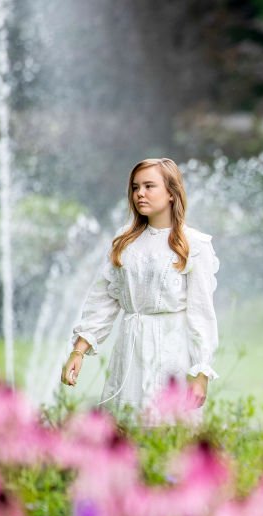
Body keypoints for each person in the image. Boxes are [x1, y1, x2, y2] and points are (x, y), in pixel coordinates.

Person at [62, 158, 219, 413]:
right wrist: (78, 351)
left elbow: (201, 313)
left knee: (167, 430)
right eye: (135, 187)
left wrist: (201, 372)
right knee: (126, 427)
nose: (140, 194)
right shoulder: (124, 242)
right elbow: (103, 299)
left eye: (149, 186)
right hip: (130, 353)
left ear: (171, 193)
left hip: (173, 353)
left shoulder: (193, 244)